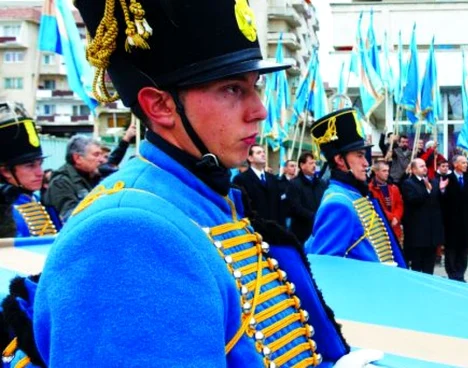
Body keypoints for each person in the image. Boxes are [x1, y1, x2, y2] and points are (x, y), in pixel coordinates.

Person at [29, 2, 368, 366]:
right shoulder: (124, 233)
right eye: (232, 89)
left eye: (255, 86)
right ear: (160, 106)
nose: (259, 110)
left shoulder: (202, 196)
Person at [305, 108, 405, 268]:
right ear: (339, 159)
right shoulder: (338, 204)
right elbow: (325, 270)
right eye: (359, 155)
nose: (366, 163)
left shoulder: (352, 195)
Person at [0, 103, 61, 238]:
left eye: (40, 164)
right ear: (6, 171)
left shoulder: (40, 200)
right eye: (30, 166)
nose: (40, 172)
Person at [43, 135, 106, 221]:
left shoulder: (92, 177)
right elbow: (70, 217)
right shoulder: (60, 182)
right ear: (77, 158)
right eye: (96, 155)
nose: (102, 160)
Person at [401, 158, 446, 274]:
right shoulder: (408, 183)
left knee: (429, 265)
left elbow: (439, 202)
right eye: (421, 166)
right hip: (418, 232)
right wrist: (427, 191)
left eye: (425, 165)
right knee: (417, 264)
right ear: (413, 169)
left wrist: (442, 190)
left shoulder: (433, 181)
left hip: (431, 232)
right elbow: (413, 200)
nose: (425, 168)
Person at [440, 155, 468, 281]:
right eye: (463, 163)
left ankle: (461, 273)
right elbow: (442, 201)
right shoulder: (447, 179)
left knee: (463, 249)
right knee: (451, 249)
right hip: (451, 222)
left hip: (465, 222)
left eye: (466, 163)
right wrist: (442, 190)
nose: (466, 165)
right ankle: (452, 273)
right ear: (455, 164)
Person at [232, 144, 285, 226]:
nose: (263, 154)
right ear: (250, 158)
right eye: (259, 153)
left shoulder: (272, 178)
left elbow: (279, 205)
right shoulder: (241, 179)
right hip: (254, 228)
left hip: (274, 228)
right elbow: (240, 207)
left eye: (263, 152)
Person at [287, 152, 327, 243]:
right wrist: (314, 216)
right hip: (303, 231)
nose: (314, 166)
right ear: (302, 165)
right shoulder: (294, 184)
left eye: (315, 163)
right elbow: (295, 207)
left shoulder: (321, 184)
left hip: (320, 228)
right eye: (310, 163)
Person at [368, 161, 404, 246]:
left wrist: (396, 217)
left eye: (388, 171)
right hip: (380, 228)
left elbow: (399, 204)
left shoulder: (393, 188)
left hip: (394, 227)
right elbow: (375, 207)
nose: (387, 173)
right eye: (384, 171)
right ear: (376, 172)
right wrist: (392, 217)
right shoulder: (370, 188)